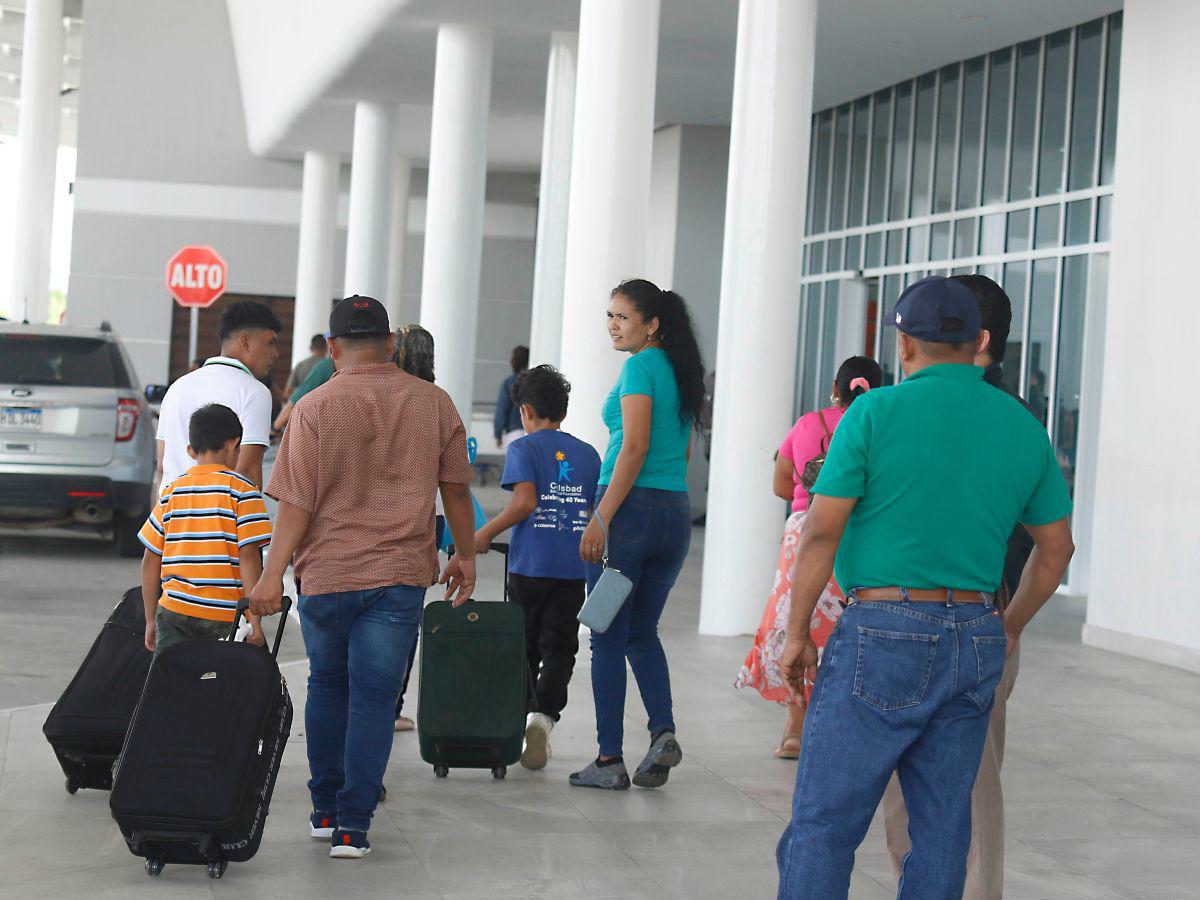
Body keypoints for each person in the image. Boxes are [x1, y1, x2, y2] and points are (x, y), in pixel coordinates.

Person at [774, 276, 1075, 899]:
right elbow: (1056, 551)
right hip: (975, 634)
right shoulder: (1022, 427)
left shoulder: (874, 412)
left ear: (905, 344)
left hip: (882, 631)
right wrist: (1010, 625)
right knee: (942, 831)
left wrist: (797, 631)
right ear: (976, 343)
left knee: (825, 825)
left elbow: (822, 531)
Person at [248, 295, 477, 861]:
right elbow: (455, 490)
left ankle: (324, 810)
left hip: (326, 574)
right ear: (391, 344)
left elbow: (295, 503)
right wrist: (466, 556)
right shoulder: (434, 404)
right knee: (375, 699)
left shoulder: (315, 406)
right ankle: (353, 826)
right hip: (398, 575)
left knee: (327, 685)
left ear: (332, 348)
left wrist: (270, 576)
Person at [879, 273, 1037, 899]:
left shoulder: (1000, 420)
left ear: (977, 337)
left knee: (953, 779)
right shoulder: (1001, 416)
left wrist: (1009, 622)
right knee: (936, 781)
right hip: (966, 614)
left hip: (961, 612)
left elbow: (1048, 541)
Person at [571, 279, 705, 791]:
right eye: (609, 315)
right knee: (642, 632)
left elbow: (634, 449)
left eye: (622, 317)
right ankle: (662, 731)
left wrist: (602, 517)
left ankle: (608, 761)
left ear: (651, 324)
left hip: (628, 517)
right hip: (672, 515)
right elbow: (682, 453)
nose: (612, 325)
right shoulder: (681, 370)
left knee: (606, 636)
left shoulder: (640, 367)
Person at [735, 356, 882, 759]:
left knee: (794, 621)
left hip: (804, 530)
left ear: (836, 389)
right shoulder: (877, 426)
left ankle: (794, 727)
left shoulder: (808, 424)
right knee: (844, 624)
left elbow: (782, 483)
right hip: (857, 533)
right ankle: (842, 726)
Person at [473, 365, 601, 770]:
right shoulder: (587, 453)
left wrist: (483, 534)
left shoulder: (523, 449)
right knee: (560, 646)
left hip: (530, 567)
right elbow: (594, 511)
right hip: (572, 567)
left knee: (524, 645)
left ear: (525, 411)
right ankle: (543, 717)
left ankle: (519, 717)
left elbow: (525, 503)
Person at [138, 404, 271, 657]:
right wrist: (254, 621)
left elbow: (150, 558)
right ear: (233, 444)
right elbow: (249, 556)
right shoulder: (242, 491)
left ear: (191, 450)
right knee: (219, 689)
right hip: (224, 615)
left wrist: (151, 619)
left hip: (174, 611)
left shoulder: (171, 492)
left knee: (171, 687)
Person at [156, 300, 281, 492]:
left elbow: (162, 467)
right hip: (219, 517)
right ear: (245, 341)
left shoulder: (177, 387)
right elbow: (248, 472)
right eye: (270, 343)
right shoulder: (254, 392)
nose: (276, 354)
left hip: (170, 514)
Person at [390, 323, 437, 732]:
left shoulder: (368, 394)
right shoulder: (436, 404)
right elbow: (455, 487)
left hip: (352, 540)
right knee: (403, 631)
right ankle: (392, 706)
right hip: (412, 539)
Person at [274, 336, 334, 433]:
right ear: (326, 348)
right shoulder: (332, 365)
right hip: (325, 421)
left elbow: (288, 392)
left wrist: (277, 425)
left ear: (310, 348)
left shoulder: (302, 365)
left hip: (302, 417)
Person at [494, 345, 530, 449]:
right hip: (532, 430)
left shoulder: (508, 383)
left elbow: (502, 409)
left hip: (513, 431)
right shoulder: (533, 382)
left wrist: (498, 434)